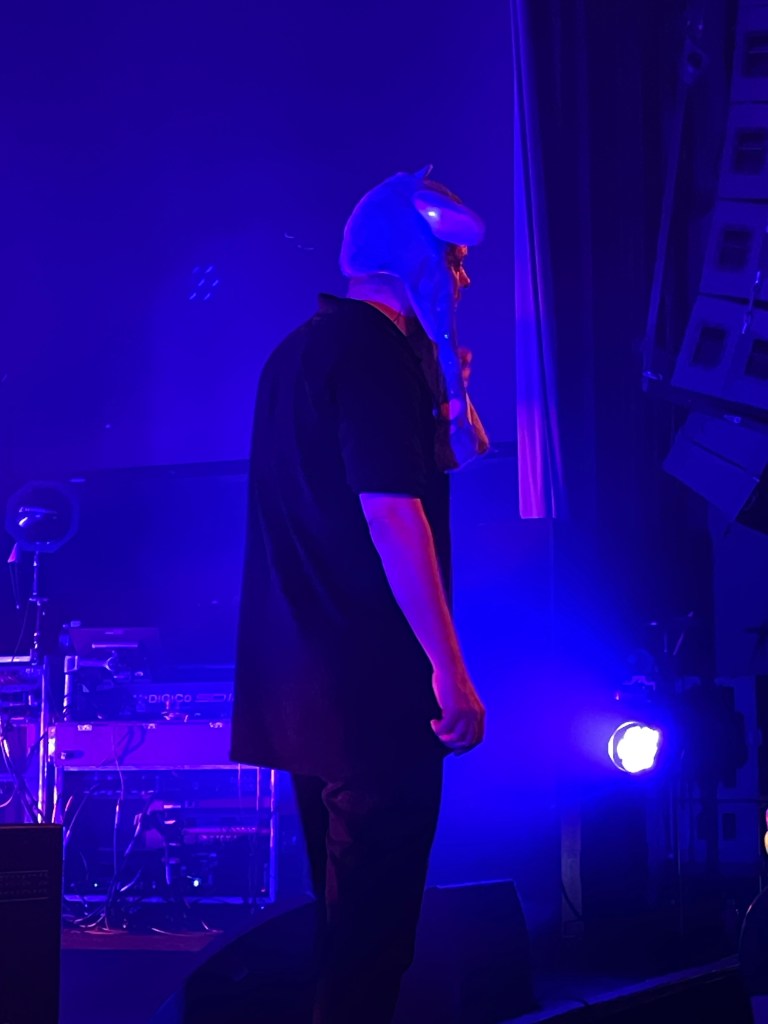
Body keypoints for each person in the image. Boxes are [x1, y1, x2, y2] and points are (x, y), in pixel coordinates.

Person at [231, 167, 487, 1024]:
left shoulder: (298, 352)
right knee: (373, 940)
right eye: (452, 259)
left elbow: (450, 457)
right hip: (373, 685)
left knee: (346, 928)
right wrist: (448, 670)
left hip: (308, 688)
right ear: (412, 258)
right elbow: (391, 512)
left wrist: (446, 378)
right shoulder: (373, 355)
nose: (464, 278)